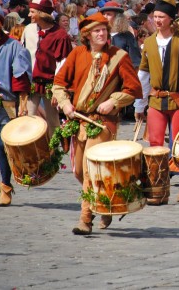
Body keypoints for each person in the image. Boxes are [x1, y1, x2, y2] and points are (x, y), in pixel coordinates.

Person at [53, 12, 142, 234]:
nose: (102, 33)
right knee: (78, 171)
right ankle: (106, 204)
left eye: (104, 29)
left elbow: (134, 88)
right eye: (97, 30)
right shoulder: (77, 54)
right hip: (79, 120)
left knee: (91, 171)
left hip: (103, 123)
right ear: (87, 35)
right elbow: (59, 82)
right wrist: (65, 104)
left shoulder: (119, 56)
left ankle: (85, 219)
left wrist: (113, 101)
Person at [134, 0, 179, 202]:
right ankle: (159, 190)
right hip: (156, 100)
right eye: (155, 16)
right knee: (156, 145)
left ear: (171, 19)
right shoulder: (148, 42)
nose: (157, 20)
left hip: (178, 100)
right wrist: (140, 103)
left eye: (162, 17)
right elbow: (144, 75)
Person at [0, 2, 31, 207]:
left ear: (1, 23)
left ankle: (5, 186)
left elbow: (21, 76)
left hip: (6, 105)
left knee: (2, 146)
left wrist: (23, 101)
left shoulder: (14, 46)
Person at [22, 0, 73, 136]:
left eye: (32, 12)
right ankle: (31, 152)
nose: (29, 15)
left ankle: (53, 153)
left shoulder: (60, 35)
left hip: (51, 84)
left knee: (53, 121)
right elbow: (23, 57)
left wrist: (59, 88)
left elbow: (63, 64)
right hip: (32, 83)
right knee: (28, 118)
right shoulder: (29, 29)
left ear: (41, 13)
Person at [101, 1, 141, 67]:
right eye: (104, 14)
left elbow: (135, 61)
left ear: (117, 18)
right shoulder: (100, 35)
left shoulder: (127, 36)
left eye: (108, 14)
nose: (105, 17)